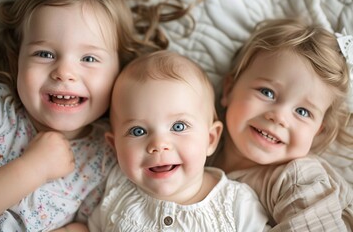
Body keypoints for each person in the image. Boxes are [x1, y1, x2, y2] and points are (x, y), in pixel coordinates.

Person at [0, 0, 157, 231]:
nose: (64, 71)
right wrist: (32, 169)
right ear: (17, 58)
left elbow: (91, 223)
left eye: (89, 58)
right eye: (44, 54)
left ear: (120, 71)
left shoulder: (107, 154)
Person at [87, 50, 271, 231]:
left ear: (210, 139)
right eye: (138, 131)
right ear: (114, 145)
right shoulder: (116, 192)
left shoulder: (235, 204)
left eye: (178, 127)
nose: (158, 145)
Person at [207, 18, 353, 230]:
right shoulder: (202, 150)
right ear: (229, 90)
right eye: (267, 92)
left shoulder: (298, 179)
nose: (279, 117)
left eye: (303, 112)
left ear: (317, 131)